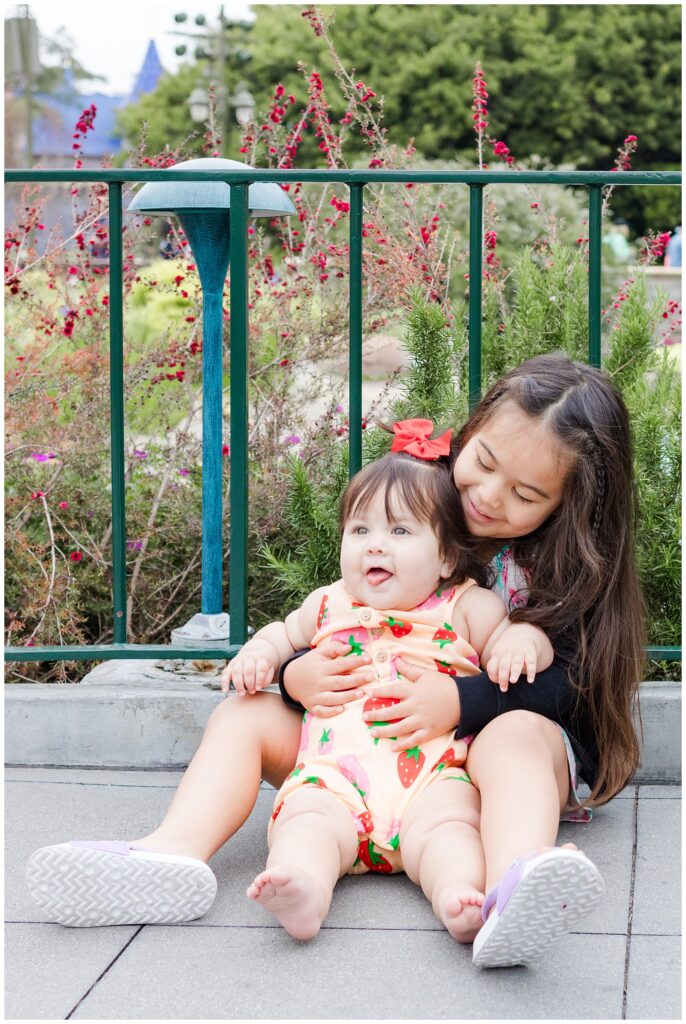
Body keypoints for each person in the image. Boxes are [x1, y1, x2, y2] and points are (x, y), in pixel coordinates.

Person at [26, 354, 642, 968]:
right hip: (351, 750)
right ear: (473, 430)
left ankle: (513, 887)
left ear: (570, 504)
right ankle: (170, 853)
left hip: (470, 762)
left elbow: (569, 684)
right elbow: (329, 626)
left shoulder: (561, 571)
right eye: (481, 463)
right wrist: (293, 676)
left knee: (512, 736)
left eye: (525, 494)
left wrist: (462, 699)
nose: (485, 495)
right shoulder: (418, 508)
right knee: (244, 715)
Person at [226, 434, 558, 944]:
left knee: (452, 833)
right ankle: (305, 892)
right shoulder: (328, 603)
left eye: (400, 530)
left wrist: (524, 641)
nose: (375, 544)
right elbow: (280, 635)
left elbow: (513, 636)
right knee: (305, 825)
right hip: (334, 782)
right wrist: (261, 656)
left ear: (447, 558)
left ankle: (460, 898)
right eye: (360, 529)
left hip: (433, 781)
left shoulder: (463, 606)